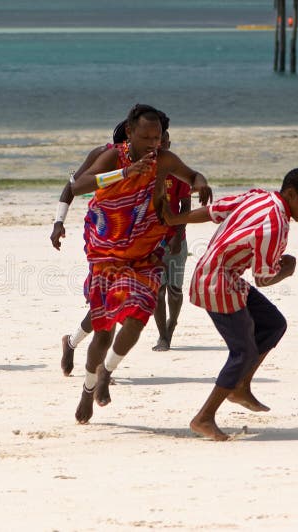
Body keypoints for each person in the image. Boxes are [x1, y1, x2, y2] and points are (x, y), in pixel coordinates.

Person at [70, 103, 212, 424]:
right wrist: (122, 174)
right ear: (130, 132)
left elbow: (191, 175)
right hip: (106, 253)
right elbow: (77, 186)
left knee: (136, 320)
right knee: (103, 332)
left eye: (157, 137)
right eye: (146, 137)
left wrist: (201, 183)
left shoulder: (164, 160)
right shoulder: (112, 156)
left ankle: (107, 372)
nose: (153, 143)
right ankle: (88, 388)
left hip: (146, 253)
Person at [161, 168, 298, 441]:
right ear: (291, 194)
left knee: (273, 324)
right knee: (243, 351)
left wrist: (176, 219)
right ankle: (204, 417)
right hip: (218, 281)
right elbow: (264, 277)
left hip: (214, 272)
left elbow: (213, 212)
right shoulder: (277, 224)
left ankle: (240, 386)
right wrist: (288, 269)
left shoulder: (259, 196)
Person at [52, 120, 129, 376]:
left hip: (133, 237)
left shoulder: (151, 162)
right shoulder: (102, 155)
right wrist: (58, 222)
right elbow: (71, 186)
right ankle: (99, 369)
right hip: (103, 233)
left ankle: (71, 342)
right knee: (109, 301)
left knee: (112, 303)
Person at [152, 130, 190, 352]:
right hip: (152, 241)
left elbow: (185, 207)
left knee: (174, 289)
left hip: (176, 238)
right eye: (157, 141)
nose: (160, 145)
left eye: (164, 142)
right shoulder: (147, 171)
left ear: (168, 143)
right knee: (158, 289)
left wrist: (177, 234)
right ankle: (162, 336)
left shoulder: (178, 173)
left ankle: (171, 326)